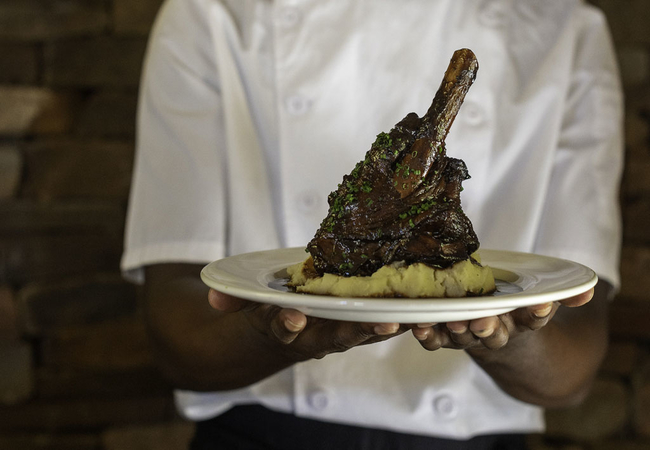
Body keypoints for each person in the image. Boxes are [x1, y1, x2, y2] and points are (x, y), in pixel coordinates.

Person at [121, 0, 624, 448]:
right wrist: (274, 333)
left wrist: (506, 336)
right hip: (261, 436)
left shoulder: (566, 30)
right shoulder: (210, 12)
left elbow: (570, 372)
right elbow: (175, 339)